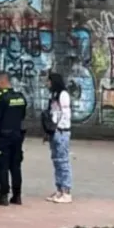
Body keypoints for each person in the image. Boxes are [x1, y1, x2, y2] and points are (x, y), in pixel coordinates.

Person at [0, 73, 27, 206]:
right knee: (16, 166)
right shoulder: (20, 97)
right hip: (17, 135)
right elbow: (22, 115)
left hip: (3, 136)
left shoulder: (0, 97)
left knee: (2, 166)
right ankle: (17, 195)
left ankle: (3, 196)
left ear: (2, 81)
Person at [46, 72, 73, 204]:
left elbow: (65, 114)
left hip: (61, 131)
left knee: (63, 161)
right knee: (56, 161)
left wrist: (58, 127)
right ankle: (59, 189)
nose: (47, 84)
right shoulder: (53, 95)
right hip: (54, 130)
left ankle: (66, 191)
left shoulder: (63, 95)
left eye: (49, 81)